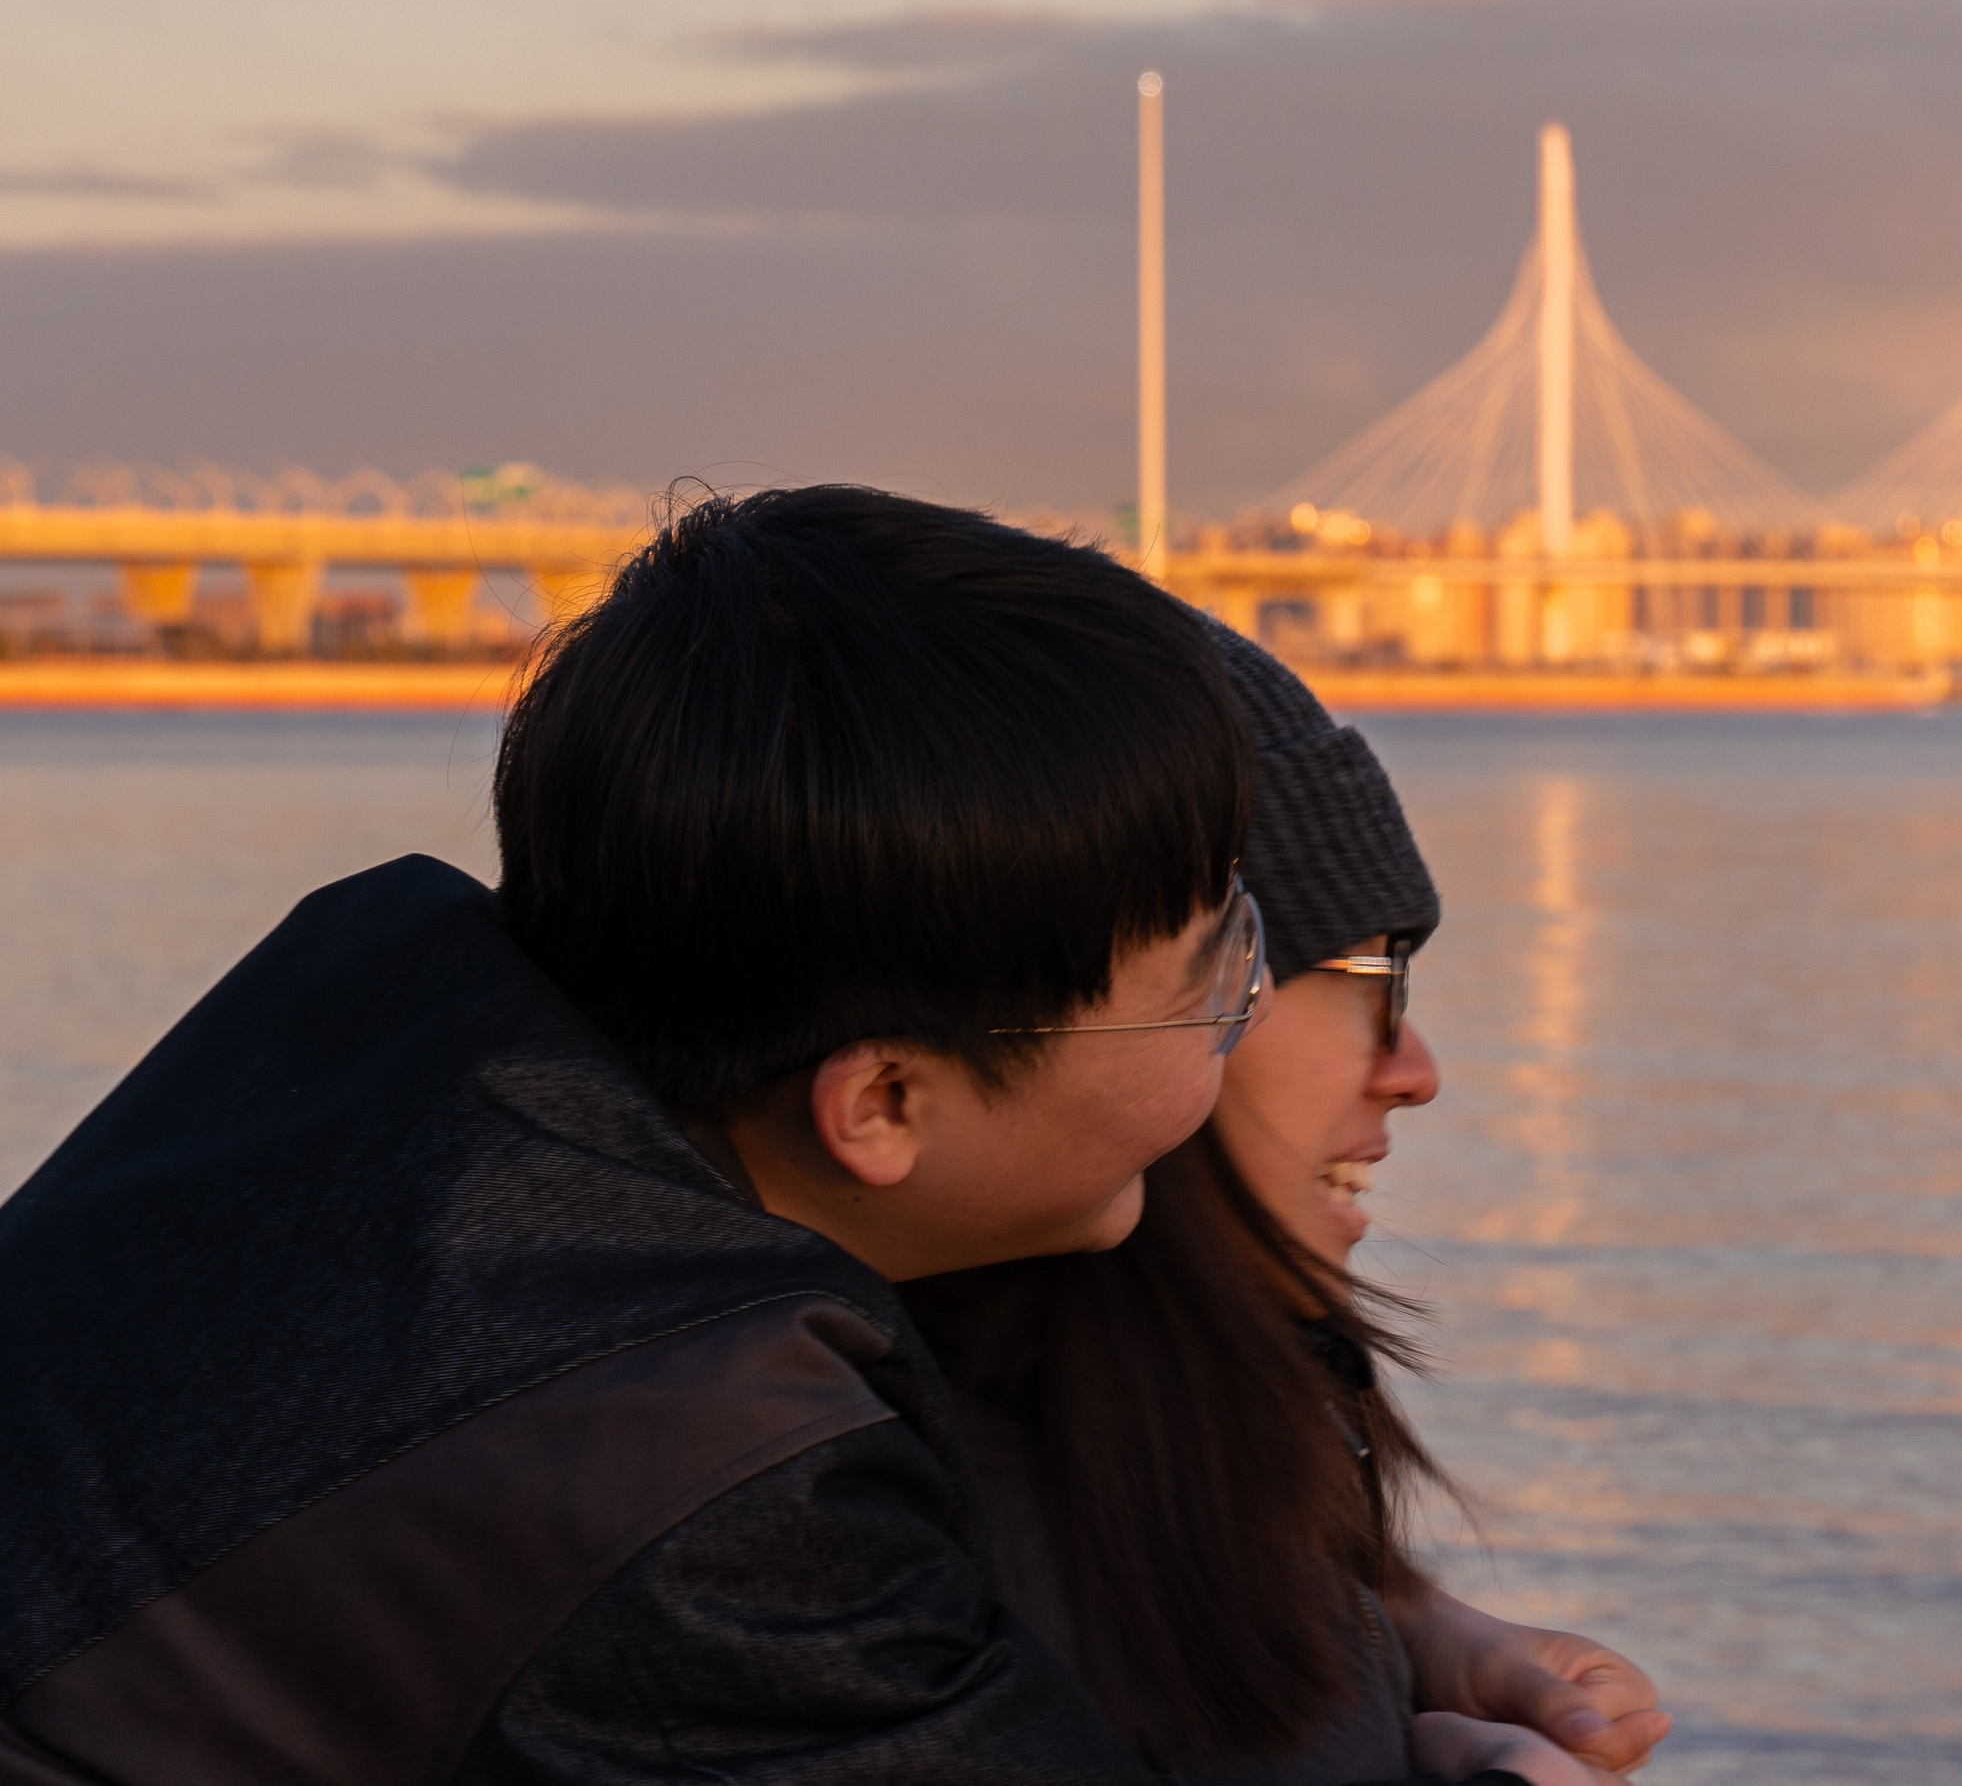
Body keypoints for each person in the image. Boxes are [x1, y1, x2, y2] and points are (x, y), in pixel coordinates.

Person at [0, 487, 1594, 1785]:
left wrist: (1399, 1668)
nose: (1253, 1011)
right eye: (1221, 973)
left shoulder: (363, 1041)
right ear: (884, 1106)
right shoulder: (692, 1465)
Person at [907, 624, 1673, 1785]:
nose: (1416, 1067)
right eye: (1371, 978)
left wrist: (1390, 1633)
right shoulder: (939, 1548)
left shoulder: (1111, 1481)